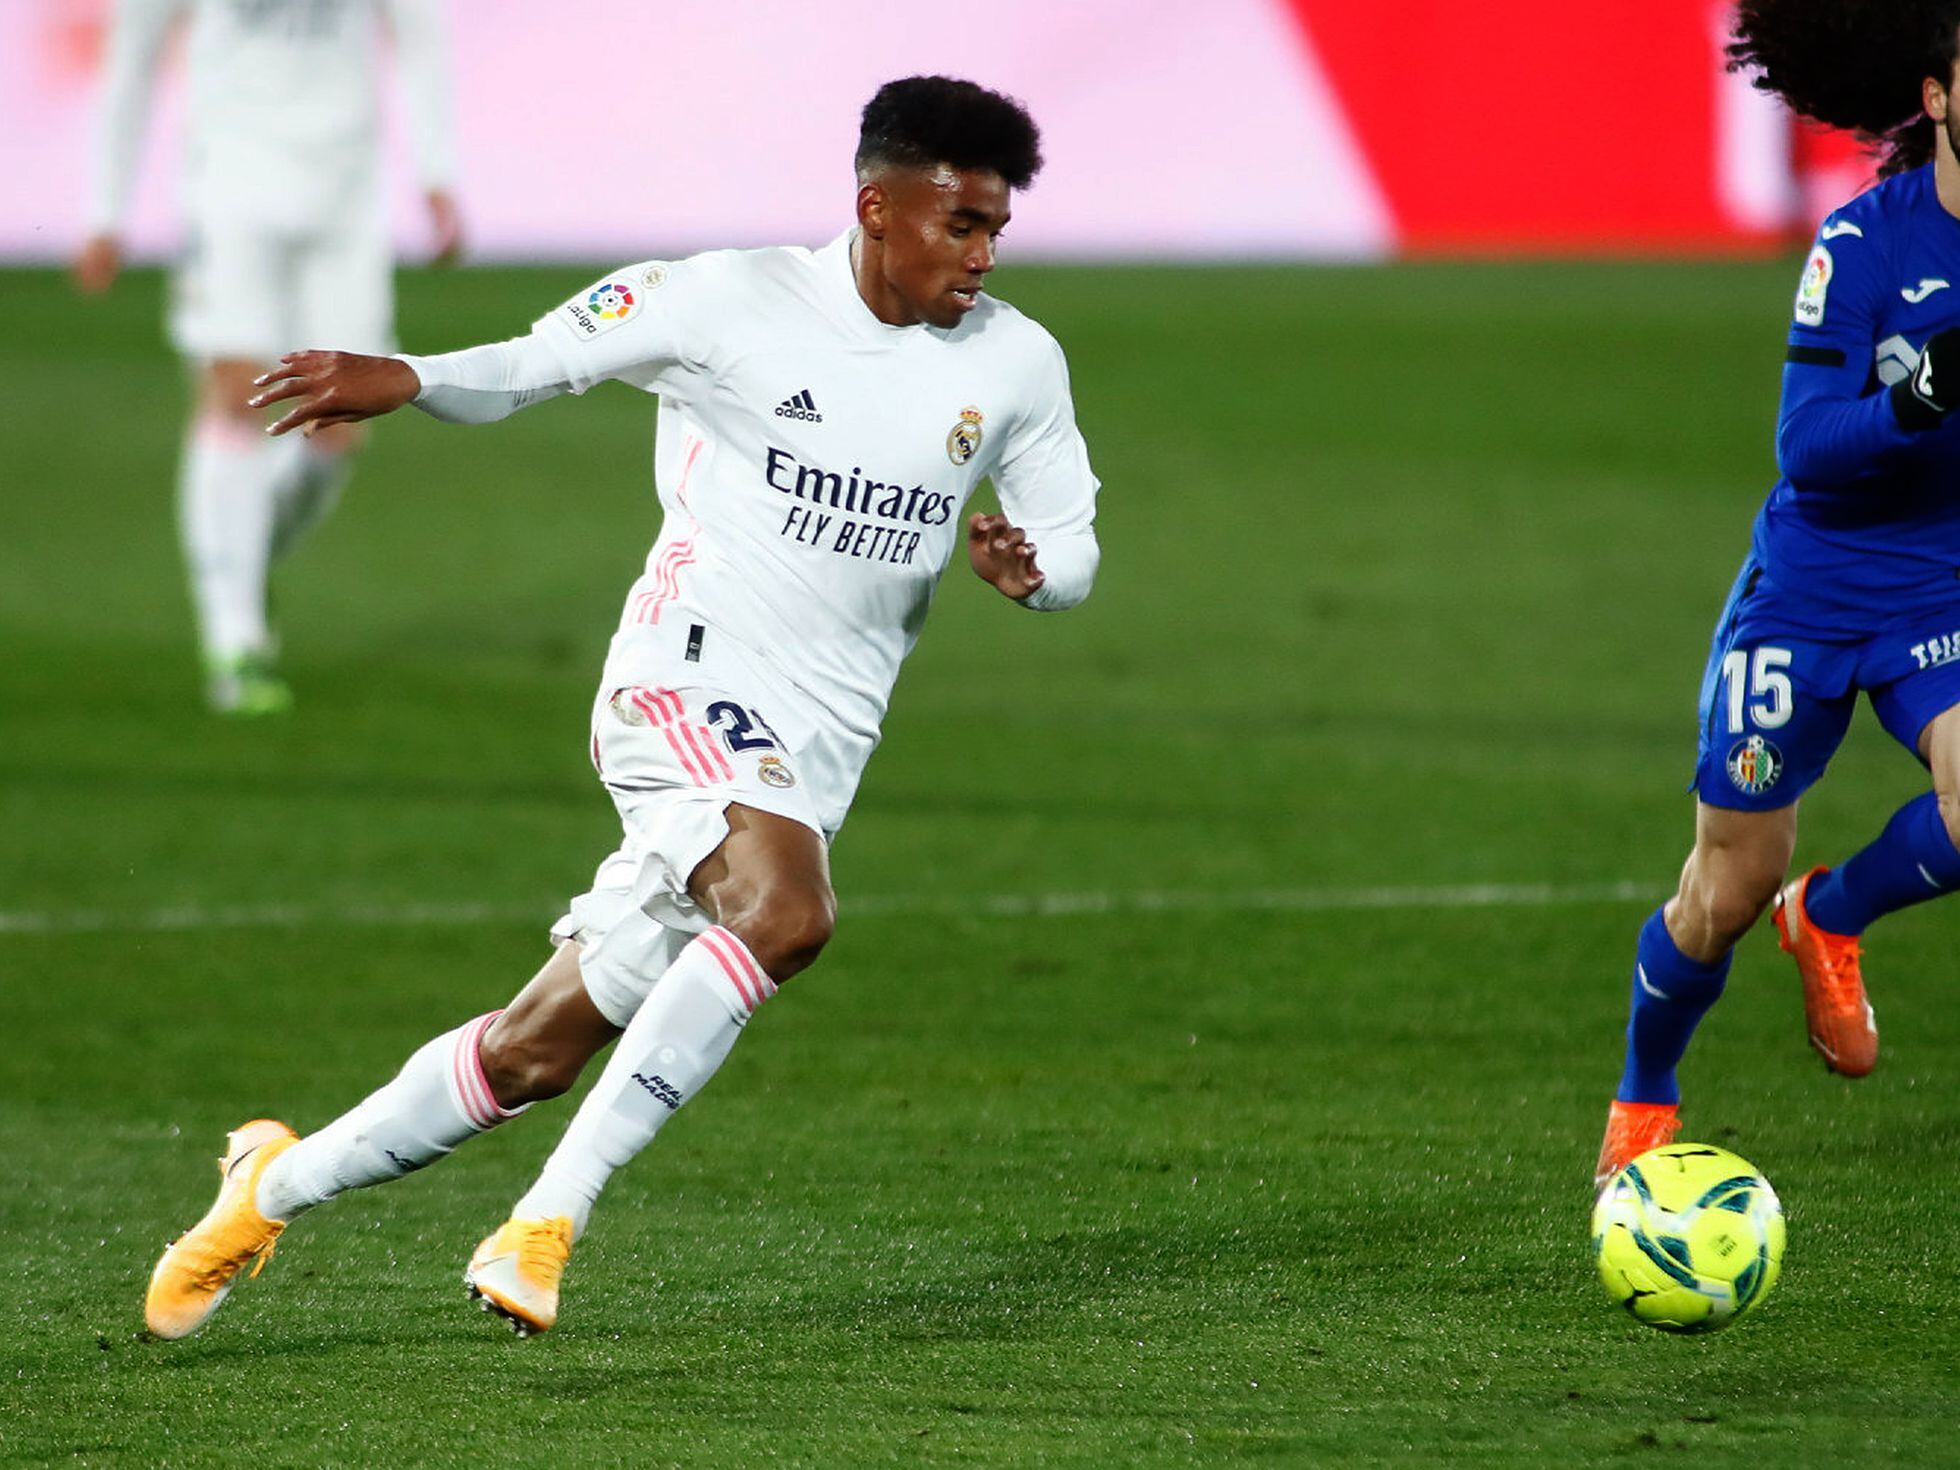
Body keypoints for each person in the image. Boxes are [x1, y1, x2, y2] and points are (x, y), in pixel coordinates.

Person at [142, 76, 1100, 1340]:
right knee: (789, 913)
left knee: (532, 1053)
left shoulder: (1015, 362)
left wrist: (1033, 573)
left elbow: (1073, 539)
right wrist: (414, 375)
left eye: (995, 232)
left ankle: (268, 1186)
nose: (981, 256)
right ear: (879, 206)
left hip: (814, 752)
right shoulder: (727, 301)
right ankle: (547, 1221)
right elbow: (539, 364)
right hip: (682, 684)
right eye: (960, 225)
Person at [1596, 0, 1960, 1187]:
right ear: (1939, 95)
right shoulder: (1861, 247)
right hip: (1808, 590)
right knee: (1724, 890)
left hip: (1938, 594)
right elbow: (1805, 446)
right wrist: (1918, 400)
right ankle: (1645, 1090)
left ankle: (1836, 910)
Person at [77, 0, 461, 715]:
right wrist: (105, 210)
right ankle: (235, 639)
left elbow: (418, 34)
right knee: (235, 396)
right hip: (232, 185)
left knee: (340, 427)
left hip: (345, 198)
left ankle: (242, 563)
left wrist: (438, 170)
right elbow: (131, 53)